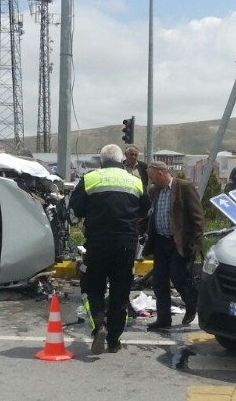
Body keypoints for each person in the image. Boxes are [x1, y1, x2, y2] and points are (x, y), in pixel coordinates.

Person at [69, 144, 149, 355]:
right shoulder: (135, 181)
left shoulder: (91, 178)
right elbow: (145, 209)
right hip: (126, 243)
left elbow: (75, 210)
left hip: (97, 242)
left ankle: (99, 324)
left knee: (91, 286)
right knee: (120, 292)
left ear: (101, 160)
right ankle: (114, 340)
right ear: (122, 159)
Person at [144, 160, 204, 330]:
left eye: (152, 178)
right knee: (159, 281)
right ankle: (164, 319)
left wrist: (196, 242)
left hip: (180, 242)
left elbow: (198, 216)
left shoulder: (184, 187)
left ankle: (192, 303)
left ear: (160, 174)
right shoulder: (155, 191)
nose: (151, 182)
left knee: (178, 277)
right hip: (161, 242)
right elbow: (151, 215)